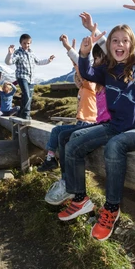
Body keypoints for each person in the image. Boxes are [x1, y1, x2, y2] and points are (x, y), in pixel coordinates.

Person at [57, 0, 135, 241]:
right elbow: (88, 74)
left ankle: (111, 208)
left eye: (125, 40)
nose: (119, 44)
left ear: (131, 44)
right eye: (115, 40)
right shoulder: (107, 69)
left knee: (115, 145)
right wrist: (83, 54)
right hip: (115, 125)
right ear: (110, 46)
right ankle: (80, 198)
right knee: (73, 144)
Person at [42, 28, 109, 206]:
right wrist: (74, 57)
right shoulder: (85, 87)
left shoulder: (91, 84)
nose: (79, 80)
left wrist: (71, 51)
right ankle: (65, 179)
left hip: (91, 123)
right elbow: (80, 71)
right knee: (61, 133)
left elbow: (82, 70)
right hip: (89, 123)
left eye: (98, 59)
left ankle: (69, 183)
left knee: (67, 137)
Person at [5, 34, 55, 120]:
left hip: (31, 79)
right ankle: (26, 115)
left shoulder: (31, 53)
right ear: (21, 43)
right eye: (24, 43)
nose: (26, 45)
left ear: (30, 43)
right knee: (27, 95)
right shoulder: (18, 53)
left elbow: (38, 62)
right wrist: (9, 54)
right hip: (22, 77)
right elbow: (9, 62)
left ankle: (21, 114)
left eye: (28, 43)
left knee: (29, 97)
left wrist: (48, 60)